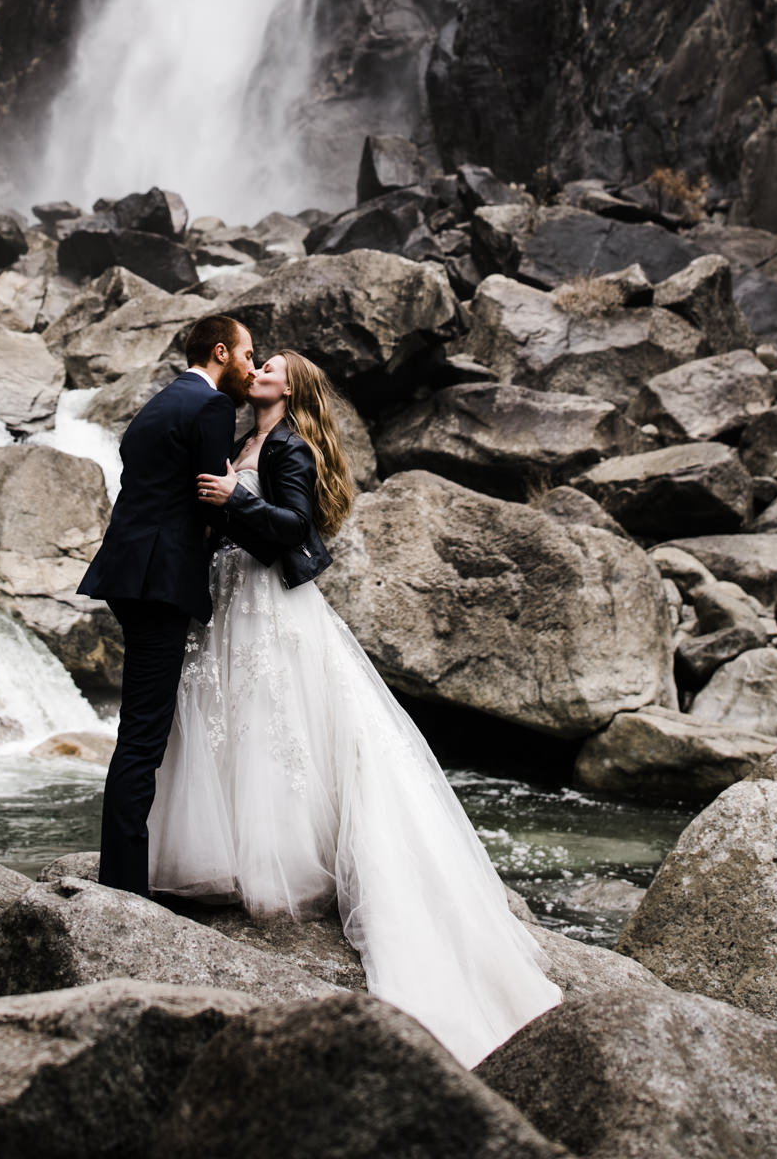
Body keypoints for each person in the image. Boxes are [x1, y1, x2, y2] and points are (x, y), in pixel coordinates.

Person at [147, 349, 563, 1068]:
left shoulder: (290, 445)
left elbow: (290, 523)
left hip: (271, 607)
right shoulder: (246, 438)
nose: (260, 370)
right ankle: (233, 852)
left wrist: (233, 501)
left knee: (279, 720)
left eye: (272, 365)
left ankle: (284, 858)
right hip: (230, 603)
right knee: (235, 717)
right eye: (259, 362)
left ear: (295, 385)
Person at [78, 312, 255, 896]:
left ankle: (127, 866)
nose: (251, 367)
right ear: (222, 353)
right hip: (160, 581)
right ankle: (124, 885)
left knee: (141, 726)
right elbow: (210, 494)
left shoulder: (155, 406)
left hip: (127, 573)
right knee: (143, 737)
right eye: (248, 354)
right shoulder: (212, 408)